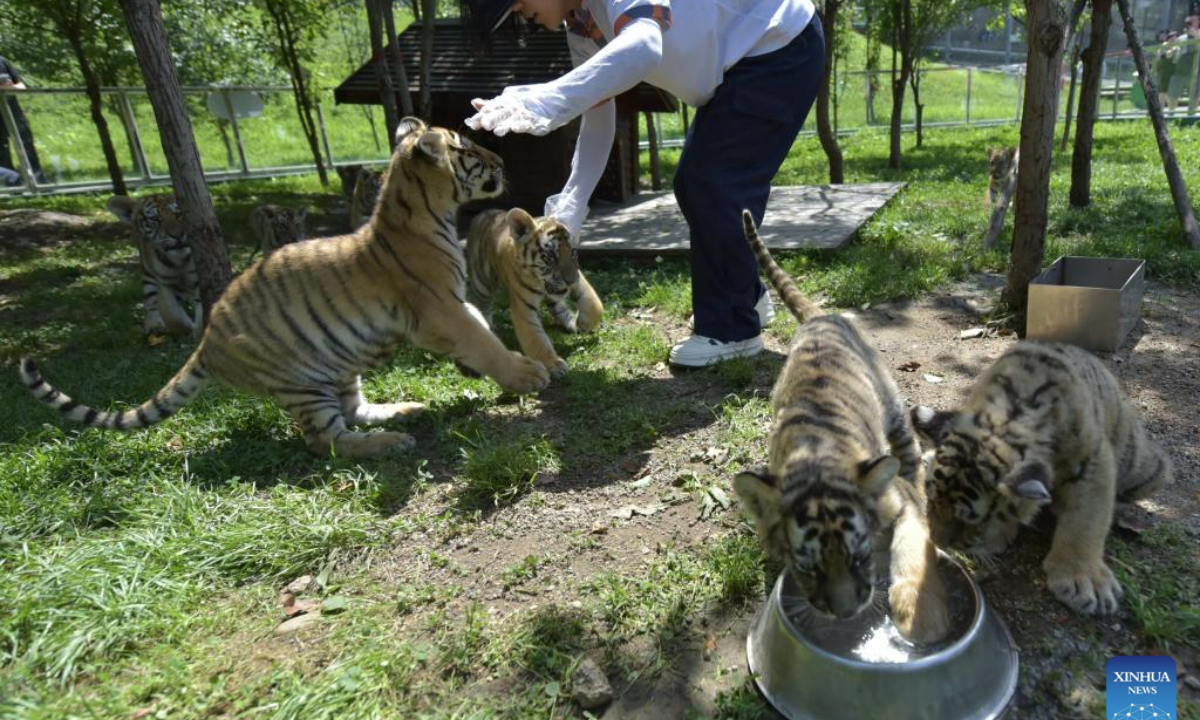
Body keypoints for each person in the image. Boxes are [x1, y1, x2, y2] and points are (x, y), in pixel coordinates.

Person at [459, 0, 822, 366]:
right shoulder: (582, 24)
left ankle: (733, 329)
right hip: (744, 65)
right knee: (695, 182)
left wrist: (546, 100)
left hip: (779, 48)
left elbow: (644, 47)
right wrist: (570, 208)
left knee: (712, 181)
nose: (519, 10)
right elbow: (598, 118)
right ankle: (745, 300)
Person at [0, 54, 45, 185]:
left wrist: (7, 87)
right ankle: (12, 185)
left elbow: (21, 86)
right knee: (2, 151)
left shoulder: (2, 61)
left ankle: (39, 182)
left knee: (27, 144)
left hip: (14, 111)